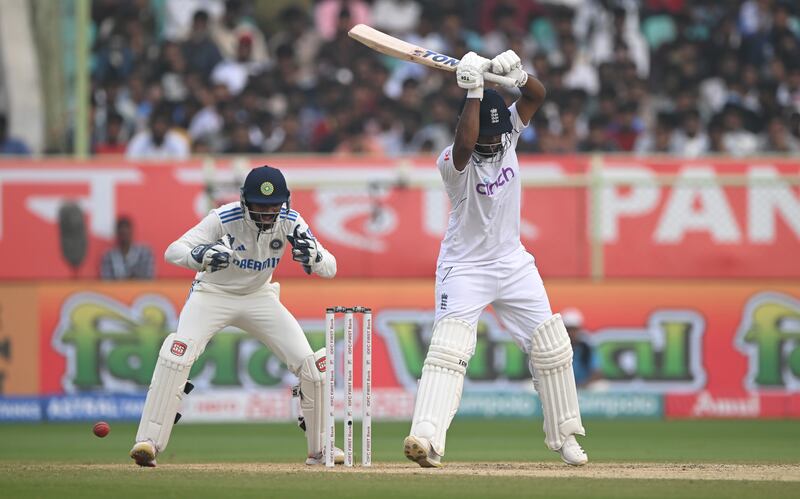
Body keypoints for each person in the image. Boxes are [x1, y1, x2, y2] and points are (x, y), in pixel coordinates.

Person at [403, 50, 588, 468]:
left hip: (512, 261)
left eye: (497, 136)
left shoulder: (507, 134)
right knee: (450, 351)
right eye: (486, 138)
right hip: (465, 267)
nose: (492, 145)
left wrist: (516, 75)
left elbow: (539, 95)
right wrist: (473, 90)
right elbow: (468, 142)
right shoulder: (453, 163)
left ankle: (566, 438)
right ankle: (426, 439)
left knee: (552, 346)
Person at [130, 165, 342, 467]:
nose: (268, 212)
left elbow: (331, 268)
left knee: (312, 366)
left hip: (259, 297)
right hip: (212, 295)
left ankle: (321, 448)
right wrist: (201, 255)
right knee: (178, 354)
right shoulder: (224, 217)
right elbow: (172, 251)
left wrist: (315, 257)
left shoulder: (291, 221)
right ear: (245, 202)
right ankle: (148, 442)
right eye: (261, 205)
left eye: (274, 205)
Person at [561, 307, 601, 388]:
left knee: (600, 386)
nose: (571, 333)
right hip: (561, 389)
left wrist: (581, 386)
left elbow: (597, 373)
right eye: (568, 329)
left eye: (574, 330)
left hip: (584, 388)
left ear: (579, 330)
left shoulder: (587, 348)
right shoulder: (556, 350)